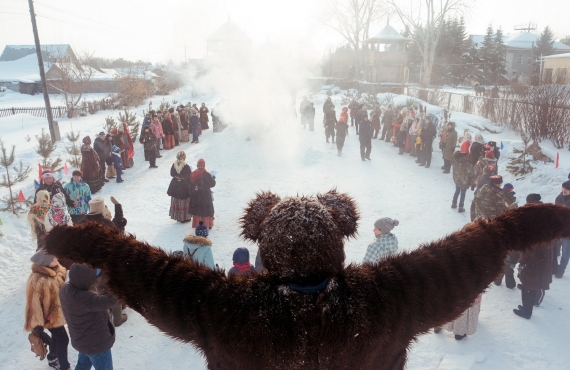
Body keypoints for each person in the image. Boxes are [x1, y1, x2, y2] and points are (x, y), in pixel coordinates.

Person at [44, 191, 570, 370]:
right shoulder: (388, 298)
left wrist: (85, 242)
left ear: (265, 249)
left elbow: (151, 273)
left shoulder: (226, 308)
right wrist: (534, 223)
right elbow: (472, 249)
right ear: (338, 242)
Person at [59, 264, 117, 370]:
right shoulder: (84, 298)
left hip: (83, 340)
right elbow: (111, 300)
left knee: (82, 366)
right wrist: (115, 284)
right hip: (96, 345)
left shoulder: (65, 288)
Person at [25, 249, 70, 370]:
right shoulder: (37, 280)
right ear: (46, 262)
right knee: (63, 339)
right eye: (54, 258)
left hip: (60, 313)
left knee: (56, 338)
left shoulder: (59, 270)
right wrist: (37, 324)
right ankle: (64, 366)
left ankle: (52, 357)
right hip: (49, 317)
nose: (57, 259)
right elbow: (33, 304)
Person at [513, 194, 553, 319]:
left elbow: (529, 250)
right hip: (539, 263)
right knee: (529, 286)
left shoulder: (536, 233)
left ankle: (526, 311)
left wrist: (522, 260)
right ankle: (526, 307)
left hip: (534, 265)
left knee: (529, 288)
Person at [189, 159, 216, 228]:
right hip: (205, 195)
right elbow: (212, 184)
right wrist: (213, 177)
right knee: (206, 210)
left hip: (197, 194)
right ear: (204, 165)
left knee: (198, 210)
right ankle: (207, 224)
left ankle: (197, 224)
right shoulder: (206, 174)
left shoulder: (194, 173)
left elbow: (191, 183)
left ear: (197, 165)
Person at [168, 151, 192, 223]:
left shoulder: (174, 164)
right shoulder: (185, 165)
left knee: (176, 200)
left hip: (175, 185)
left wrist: (176, 176)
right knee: (184, 201)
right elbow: (188, 174)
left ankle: (178, 217)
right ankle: (185, 217)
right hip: (184, 186)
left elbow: (172, 173)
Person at [451, 146, 475, 213]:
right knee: (463, 194)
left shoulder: (456, 162)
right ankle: (461, 207)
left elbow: (452, 158)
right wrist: (470, 182)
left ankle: (454, 203)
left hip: (457, 180)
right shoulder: (468, 164)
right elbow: (472, 174)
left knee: (457, 191)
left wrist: (456, 153)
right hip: (464, 182)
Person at [554, 181, 570, 278]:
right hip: (558, 228)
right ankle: (553, 267)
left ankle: (561, 269)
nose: (564, 190)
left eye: (567, 189)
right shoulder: (559, 197)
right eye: (563, 188)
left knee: (566, 251)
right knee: (554, 247)